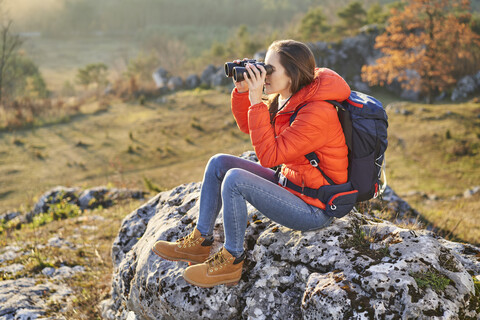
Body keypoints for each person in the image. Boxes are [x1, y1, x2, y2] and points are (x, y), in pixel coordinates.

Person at [152, 39, 350, 288]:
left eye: (270, 70)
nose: (263, 75)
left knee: (234, 179)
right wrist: (244, 91)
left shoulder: (317, 112)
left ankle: (231, 261)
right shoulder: (288, 97)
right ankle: (200, 242)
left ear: (293, 73)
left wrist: (257, 100)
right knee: (219, 163)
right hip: (292, 186)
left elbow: (269, 156)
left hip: (314, 208)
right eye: (262, 67)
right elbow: (250, 125)